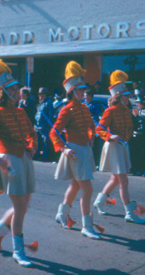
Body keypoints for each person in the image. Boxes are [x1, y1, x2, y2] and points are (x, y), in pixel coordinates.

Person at [0, 58, 38, 268]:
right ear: (4, 92)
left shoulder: (20, 112)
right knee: (20, 209)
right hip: (10, 162)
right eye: (13, 89)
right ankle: (19, 251)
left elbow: (32, 133)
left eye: (17, 88)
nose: (17, 92)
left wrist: (32, 146)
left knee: (23, 206)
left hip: (25, 161)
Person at [50, 61, 101, 240]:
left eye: (83, 90)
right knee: (87, 188)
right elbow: (54, 132)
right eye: (79, 90)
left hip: (84, 150)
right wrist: (62, 148)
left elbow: (90, 126)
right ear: (72, 91)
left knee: (75, 185)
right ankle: (87, 225)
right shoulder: (67, 110)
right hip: (74, 151)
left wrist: (91, 136)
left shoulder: (84, 108)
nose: (83, 93)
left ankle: (62, 214)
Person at [93, 70, 145, 224]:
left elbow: (129, 128)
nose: (128, 97)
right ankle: (129, 212)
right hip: (114, 146)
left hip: (123, 146)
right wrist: (110, 136)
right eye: (125, 95)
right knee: (123, 180)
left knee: (115, 179)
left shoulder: (127, 110)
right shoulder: (110, 111)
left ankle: (99, 201)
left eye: (127, 95)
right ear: (118, 96)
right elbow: (99, 129)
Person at [130, 97, 145, 177]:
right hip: (139, 135)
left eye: (138, 103)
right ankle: (139, 169)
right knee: (139, 154)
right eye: (136, 103)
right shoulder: (137, 111)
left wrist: (140, 116)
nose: (137, 104)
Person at [83, 89, 103, 166]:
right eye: (84, 96)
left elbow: (98, 115)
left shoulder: (95, 105)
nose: (85, 98)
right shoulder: (83, 104)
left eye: (87, 96)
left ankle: (94, 162)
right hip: (84, 128)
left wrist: (91, 117)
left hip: (92, 127)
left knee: (94, 145)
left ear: (91, 96)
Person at [34, 87, 54, 161]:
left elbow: (50, 115)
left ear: (45, 95)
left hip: (44, 126)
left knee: (46, 141)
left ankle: (45, 156)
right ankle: (37, 154)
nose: (39, 96)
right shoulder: (40, 103)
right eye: (39, 94)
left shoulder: (48, 102)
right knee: (38, 141)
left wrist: (47, 125)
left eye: (41, 94)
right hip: (38, 126)